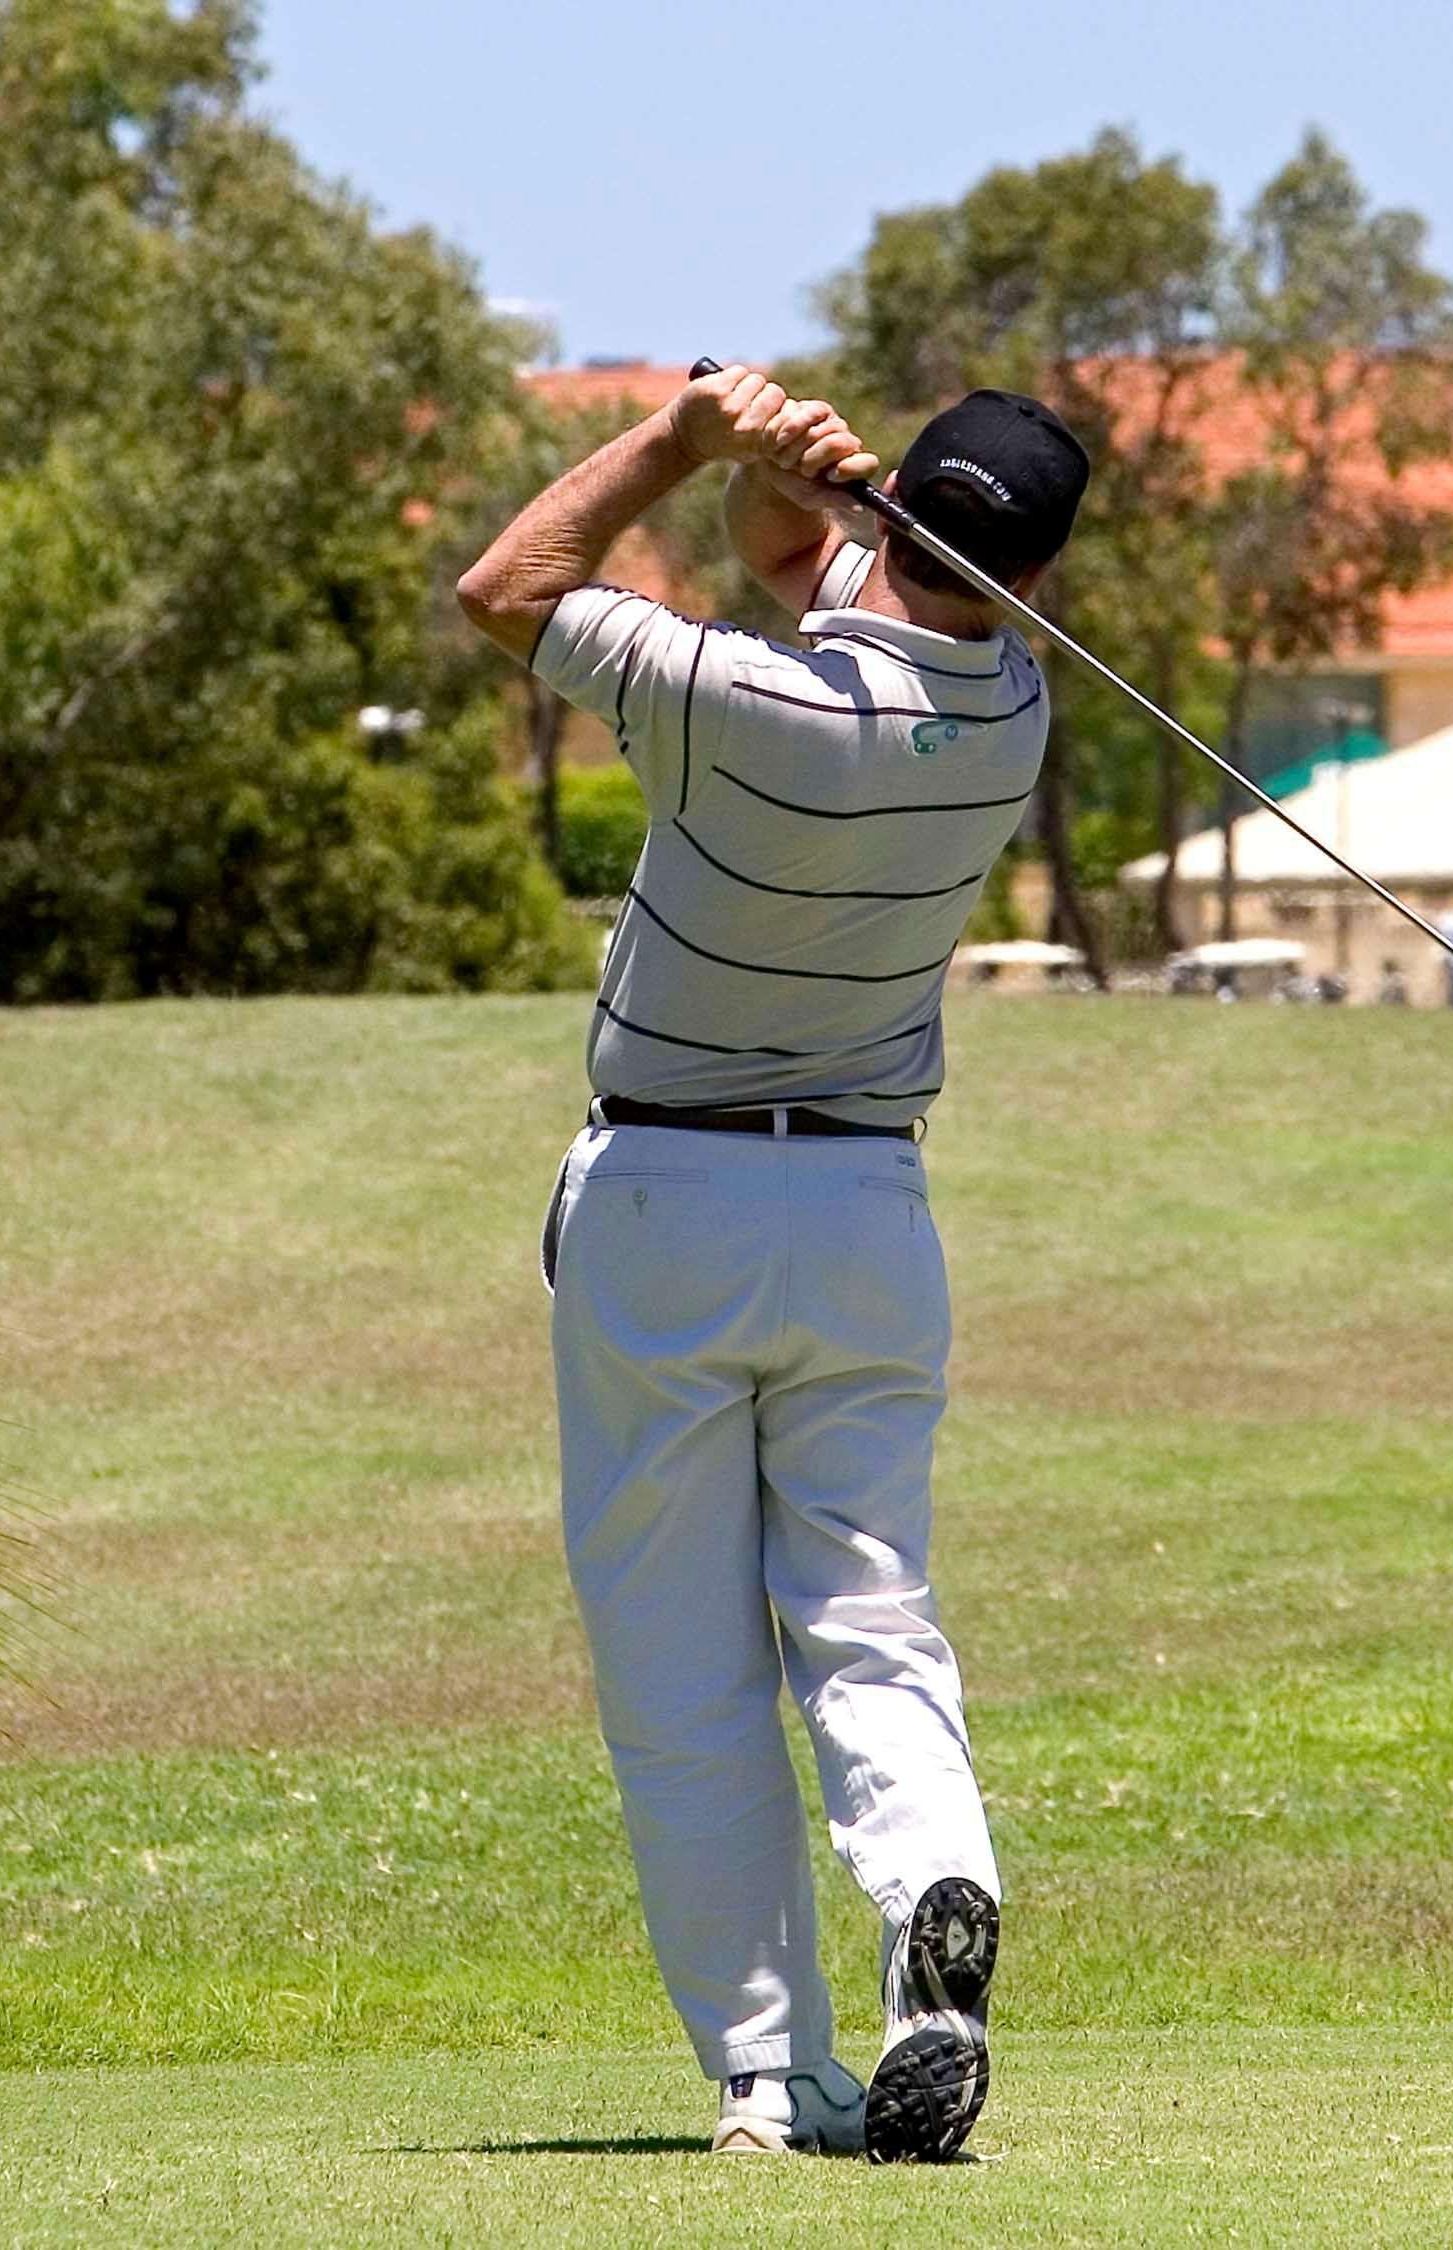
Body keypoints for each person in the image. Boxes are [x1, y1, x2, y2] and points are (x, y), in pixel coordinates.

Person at [456, 364, 1089, 2164]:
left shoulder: (734, 695)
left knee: (683, 1669)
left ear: (900, 525)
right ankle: (935, 1885)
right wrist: (799, 489)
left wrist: (685, 441)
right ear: (1030, 580)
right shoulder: (1019, 709)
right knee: (867, 1613)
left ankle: (770, 2073)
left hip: (669, 1199)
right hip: (870, 1222)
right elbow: (809, 571)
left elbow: (507, 589)